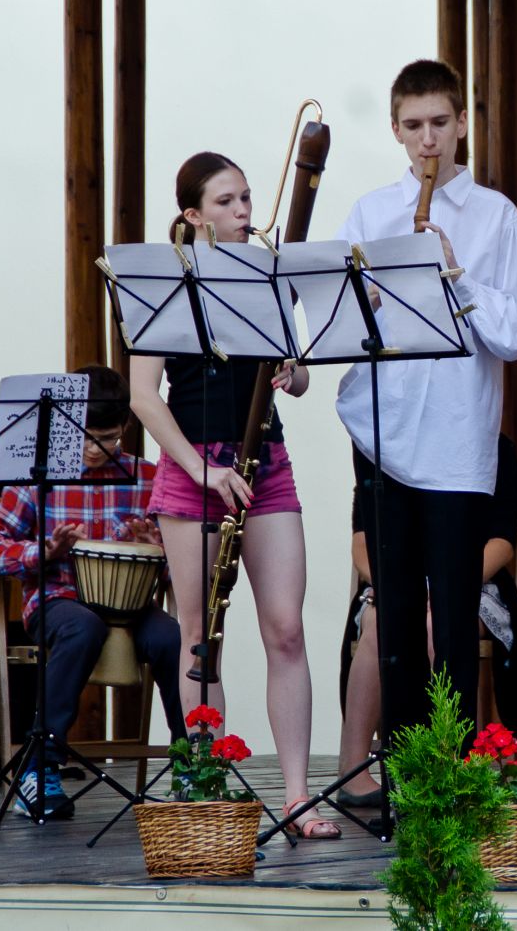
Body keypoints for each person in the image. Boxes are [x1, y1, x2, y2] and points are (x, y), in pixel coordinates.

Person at [130, 152, 337, 839]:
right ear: (192, 215)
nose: (244, 211)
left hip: (264, 462)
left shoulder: (269, 276)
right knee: (199, 637)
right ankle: (208, 784)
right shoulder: (163, 283)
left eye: (246, 198)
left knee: (285, 627)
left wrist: (295, 372)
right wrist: (199, 470)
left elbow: (298, 377)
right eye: (225, 202)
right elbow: (143, 398)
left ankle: (298, 797)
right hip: (194, 471)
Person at [334, 60, 517, 752]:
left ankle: (452, 780)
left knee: (451, 626)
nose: (428, 142)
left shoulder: (495, 216)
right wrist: (368, 303)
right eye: (413, 126)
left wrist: (456, 271)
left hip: (456, 447)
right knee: (395, 633)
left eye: (440, 124)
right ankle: (407, 781)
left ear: (462, 125)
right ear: (395, 129)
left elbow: (513, 338)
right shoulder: (369, 212)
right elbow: (342, 327)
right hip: (386, 441)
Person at [0, 364, 185, 818]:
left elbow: (178, 572)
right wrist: (41, 552)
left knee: (171, 637)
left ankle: (190, 763)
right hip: (58, 602)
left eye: (106, 438)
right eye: (84, 436)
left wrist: (158, 549)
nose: (93, 449)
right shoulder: (38, 477)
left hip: (130, 607)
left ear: (126, 426)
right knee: (82, 628)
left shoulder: (148, 478)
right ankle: (40, 766)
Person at [335, 434, 517, 806]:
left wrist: (444, 584)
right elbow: (361, 541)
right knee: (382, 625)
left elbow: (503, 543)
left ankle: (443, 765)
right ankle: (354, 771)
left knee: (435, 626)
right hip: (392, 579)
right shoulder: (387, 442)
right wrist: (395, 584)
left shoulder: (493, 444)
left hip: (472, 581)